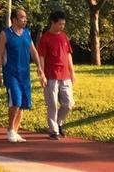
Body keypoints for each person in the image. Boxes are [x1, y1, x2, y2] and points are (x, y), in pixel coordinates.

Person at [0, 8, 46, 142]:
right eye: (22, 17)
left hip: (25, 75)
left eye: (25, 17)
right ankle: (10, 129)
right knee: (15, 100)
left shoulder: (27, 34)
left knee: (23, 103)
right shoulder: (5, 34)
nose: (25, 20)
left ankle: (15, 131)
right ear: (14, 20)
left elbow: (33, 51)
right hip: (11, 74)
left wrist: (40, 68)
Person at [37, 10, 75, 139]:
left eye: (63, 24)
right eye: (60, 24)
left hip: (65, 76)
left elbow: (68, 54)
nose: (62, 26)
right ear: (52, 22)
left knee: (69, 104)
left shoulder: (64, 37)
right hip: (51, 76)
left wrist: (72, 71)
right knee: (52, 104)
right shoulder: (45, 38)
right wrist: (41, 74)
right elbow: (41, 57)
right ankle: (53, 131)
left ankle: (58, 123)